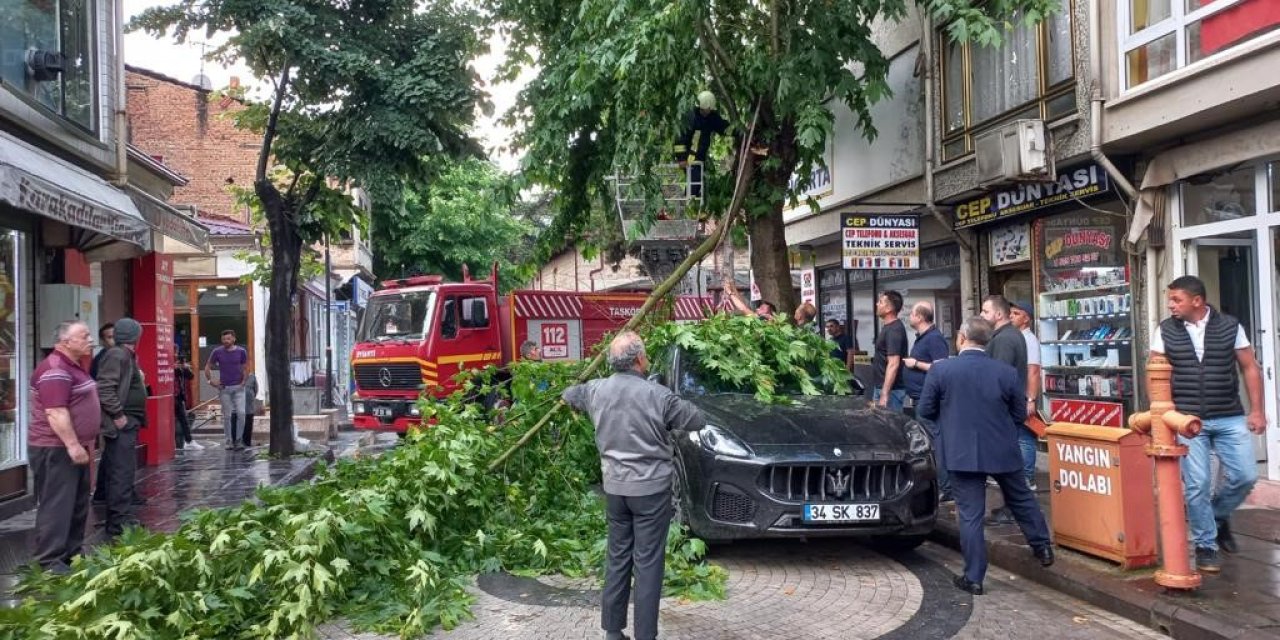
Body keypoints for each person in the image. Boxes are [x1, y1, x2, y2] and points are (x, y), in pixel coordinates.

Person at [562, 331, 706, 640]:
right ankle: (645, 635)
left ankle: (613, 632)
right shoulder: (658, 395)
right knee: (648, 564)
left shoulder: (594, 391)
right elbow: (696, 420)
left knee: (617, 557)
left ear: (613, 362)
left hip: (615, 490)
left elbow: (568, 394)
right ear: (640, 360)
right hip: (651, 491)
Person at [917, 316, 1053, 596]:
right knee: (1021, 498)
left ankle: (974, 577)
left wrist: (945, 432)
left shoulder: (942, 372)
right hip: (1002, 447)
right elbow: (1019, 414)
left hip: (960, 451)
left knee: (970, 515)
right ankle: (1043, 547)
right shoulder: (1004, 372)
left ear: (962, 337)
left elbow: (925, 411)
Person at [1151, 275, 1268, 574]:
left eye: (1176, 299)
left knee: (1245, 475)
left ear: (1197, 301)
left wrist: (1257, 411)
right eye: (1170, 299)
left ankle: (1217, 515)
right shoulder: (1165, 330)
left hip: (1229, 414)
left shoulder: (1230, 326)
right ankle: (1206, 544)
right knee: (1197, 484)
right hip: (1188, 420)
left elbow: (1249, 367)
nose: (1170, 305)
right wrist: (1162, 415)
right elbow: (1155, 371)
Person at [29, 321, 100, 573]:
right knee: (58, 504)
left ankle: (71, 554)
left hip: (75, 446)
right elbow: (55, 412)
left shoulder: (73, 366)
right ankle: (50, 561)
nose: (90, 339)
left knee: (77, 503)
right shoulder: (55, 369)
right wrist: (72, 445)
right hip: (56, 448)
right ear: (65, 342)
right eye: (84, 336)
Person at [94, 317, 147, 538]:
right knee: (121, 472)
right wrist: (118, 415)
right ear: (135, 336)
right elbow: (105, 387)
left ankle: (121, 517)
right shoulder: (117, 355)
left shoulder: (124, 355)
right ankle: (118, 522)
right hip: (122, 424)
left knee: (123, 471)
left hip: (128, 422)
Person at [901, 301, 952, 501]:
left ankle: (946, 488)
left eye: (912, 313)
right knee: (929, 442)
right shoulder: (922, 338)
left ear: (921, 317)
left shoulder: (934, 339)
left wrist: (916, 364)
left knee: (936, 441)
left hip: (927, 398)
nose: (910, 317)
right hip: (919, 396)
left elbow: (941, 368)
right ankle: (940, 484)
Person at [1010, 300, 1042, 491]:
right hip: (1018, 395)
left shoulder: (1028, 340)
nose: (1012, 316)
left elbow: (1034, 371)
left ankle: (1028, 478)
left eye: (1016, 314)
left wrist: (1031, 398)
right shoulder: (1017, 338)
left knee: (1025, 436)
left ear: (1026, 319)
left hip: (1024, 396)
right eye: (1011, 313)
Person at [673, 91, 729, 198]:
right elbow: (680, 140)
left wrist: (740, 131)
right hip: (688, 158)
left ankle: (687, 206)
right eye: (706, 109)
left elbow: (724, 127)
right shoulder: (690, 118)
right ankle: (682, 207)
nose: (708, 111)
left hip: (699, 157)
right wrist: (681, 159)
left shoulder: (712, 117)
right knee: (695, 182)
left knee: (697, 185)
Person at [205, 329, 249, 450]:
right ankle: (229, 441)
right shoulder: (217, 352)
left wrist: (244, 382)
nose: (226, 341)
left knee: (241, 413)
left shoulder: (241, 351)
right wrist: (211, 381)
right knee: (227, 416)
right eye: (224, 339)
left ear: (234, 339)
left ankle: (239, 440)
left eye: (228, 339)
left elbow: (246, 367)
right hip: (224, 388)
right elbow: (208, 366)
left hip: (239, 388)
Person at [873, 290, 908, 410]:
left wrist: (884, 394)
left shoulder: (894, 330)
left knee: (889, 427)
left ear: (889, 309)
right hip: (882, 388)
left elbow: (893, 363)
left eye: (881, 302)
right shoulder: (888, 327)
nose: (877, 304)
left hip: (891, 392)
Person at [173, 356, 201, 450]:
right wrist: (175, 367)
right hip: (172, 397)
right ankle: (184, 441)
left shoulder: (181, 369)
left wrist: (185, 367)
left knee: (184, 420)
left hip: (179, 397)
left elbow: (191, 376)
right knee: (177, 420)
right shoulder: (171, 367)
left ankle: (189, 441)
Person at [240, 371, 259, 447]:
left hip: (249, 407)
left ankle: (247, 442)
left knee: (248, 424)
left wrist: (251, 396)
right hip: (238, 406)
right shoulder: (235, 375)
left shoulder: (252, 377)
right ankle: (238, 441)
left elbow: (256, 389)